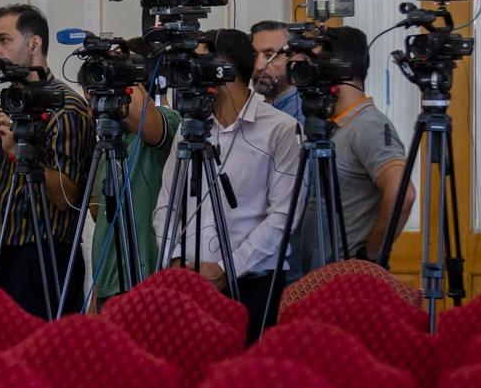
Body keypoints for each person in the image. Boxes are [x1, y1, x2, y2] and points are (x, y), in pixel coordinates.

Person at [153, 29, 299, 342]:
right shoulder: (191, 128)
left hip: (253, 284)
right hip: (188, 281)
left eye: (197, 64)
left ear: (223, 71)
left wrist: (226, 268)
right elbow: (167, 202)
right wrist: (174, 258)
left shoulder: (281, 129)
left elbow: (283, 217)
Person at [0, 4, 95, 318]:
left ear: (34, 44)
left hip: (42, 257)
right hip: (2, 252)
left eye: (4, 40)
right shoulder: (10, 104)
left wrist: (20, 152)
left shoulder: (65, 107)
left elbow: (66, 196)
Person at [299, 26, 416, 271]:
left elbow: (402, 192)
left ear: (338, 68)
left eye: (315, 64)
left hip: (346, 279)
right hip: (318, 276)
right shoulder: (332, 126)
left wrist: (368, 258)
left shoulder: (368, 125)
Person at [87, 38, 181, 308]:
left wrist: (123, 70)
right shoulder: (111, 136)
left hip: (144, 280)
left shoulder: (167, 120)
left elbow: (144, 117)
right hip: (108, 282)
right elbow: (100, 214)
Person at [251, 20, 306, 125]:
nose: (258, 66)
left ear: (296, 59)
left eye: (270, 56)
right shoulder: (261, 109)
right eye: (254, 55)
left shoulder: (303, 114)